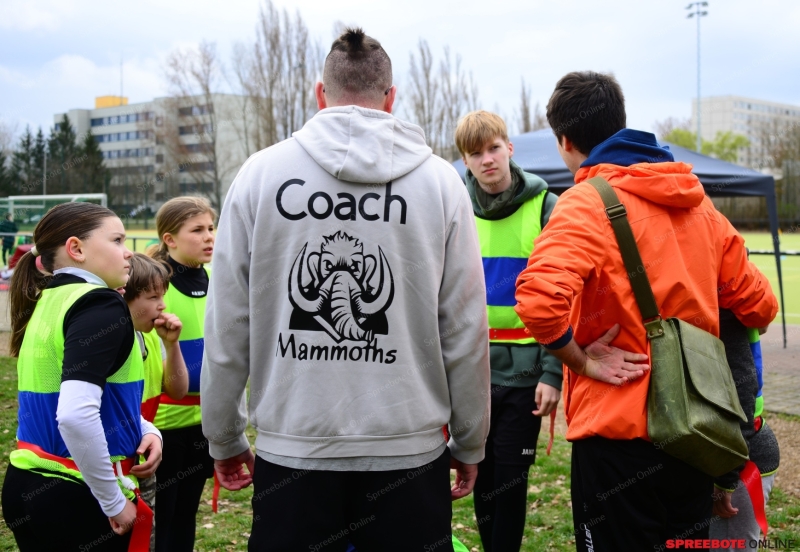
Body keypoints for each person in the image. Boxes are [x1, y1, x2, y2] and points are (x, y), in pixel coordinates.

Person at [202, 27, 490, 552]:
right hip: (409, 454)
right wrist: (471, 439)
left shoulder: (260, 176)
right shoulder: (441, 184)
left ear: (320, 95)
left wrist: (222, 434)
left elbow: (228, 321)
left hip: (294, 452)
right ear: (392, 97)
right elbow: (467, 327)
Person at [514, 71, 778, 552]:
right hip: (693, 435)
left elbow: (537, 302)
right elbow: (760, 304)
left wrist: (582, 361)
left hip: (617, 438)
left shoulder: (583, 205)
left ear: (565, 142)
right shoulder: (701, 208)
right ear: (621, 122)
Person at [1, 202, 162, 552]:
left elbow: (74, 398)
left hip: (26, 482)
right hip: (77, 492)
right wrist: (113, 502)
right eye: (118, 240)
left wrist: (145, 429)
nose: (129, 253)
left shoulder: (50, 299)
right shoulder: (100, 303)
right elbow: (75, 414)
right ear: (76, 249)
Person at [454, 110, 561, 552]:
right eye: (475, 153)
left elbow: (561, 294)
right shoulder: (453, 206)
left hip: (525, 377)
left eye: (494, 148)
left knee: (511, 481)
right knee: (483, 476)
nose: (487, 160)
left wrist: (553, 373)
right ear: (465, 161)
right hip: (471, 376)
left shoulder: (547, 206)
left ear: (509, 148)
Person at [147, 197, 215, 552]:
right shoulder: (155, 286)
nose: (209, 237)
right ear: (169, 239)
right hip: (163, 426)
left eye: (211, 228)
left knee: (186, 514)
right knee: (163, 519)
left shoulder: (220, 278)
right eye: (198, 230)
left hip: (205, 423)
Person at [122, 252, 189, 551]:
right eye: (152, 297)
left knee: (144, 540)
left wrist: (171, 345)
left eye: (163, 295)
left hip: (140, 462)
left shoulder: (149, 336)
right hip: (114, 467)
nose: (162, 305)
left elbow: (178, 390)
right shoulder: (112, 341)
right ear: (124, 298)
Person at [709, 310, 780, 551]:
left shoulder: (724, 305)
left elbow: (742, 396)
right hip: (733, 454)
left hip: (742, 459)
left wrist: (727, 479)